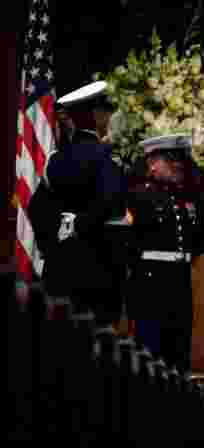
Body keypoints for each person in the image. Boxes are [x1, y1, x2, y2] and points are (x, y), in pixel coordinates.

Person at [34, 80, 129, 325]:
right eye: (105, 112)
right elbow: (110, 203)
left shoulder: (54, 161)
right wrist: (81, 224)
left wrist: (56, 239)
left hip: (60, 266)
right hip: (99, 269)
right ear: (96, 117)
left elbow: (37, 209)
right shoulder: (107, 157)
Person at [126, 132, 204, 374]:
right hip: (150, 282)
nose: (176, 166)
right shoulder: (139, 196)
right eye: (168, 160)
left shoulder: (188, 199)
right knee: (151, 350)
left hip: (180, 279)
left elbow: (199, 242)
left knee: (179, 347)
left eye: (177, 160)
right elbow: (127, 242)